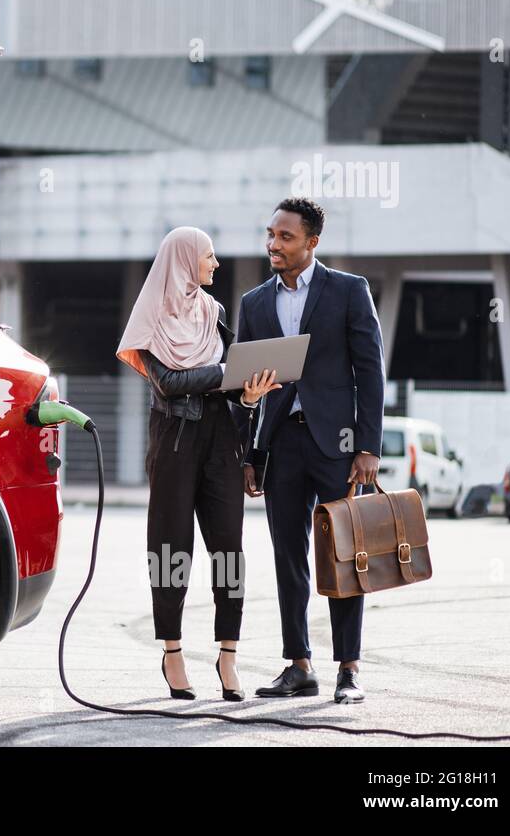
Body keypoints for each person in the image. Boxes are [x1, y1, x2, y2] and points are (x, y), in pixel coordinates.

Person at [117, 226, 281, 701]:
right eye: (209, 256)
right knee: (172, 549)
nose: (216, 264)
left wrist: (248, 397)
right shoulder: (151, 315)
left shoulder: (215, 312)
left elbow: (230, 391)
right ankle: (172, 651)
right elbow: (168, 381)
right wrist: (229, 375)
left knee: (229, 549)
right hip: (173, 438)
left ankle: (228, 655)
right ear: (185, 259)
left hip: (221, 438)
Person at [231, 198, 385, 704]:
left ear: (312, 242)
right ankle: (298, 665)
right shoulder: (253, 303)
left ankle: (348, 669)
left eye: (285, 237)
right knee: (286, 555)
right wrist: (250, 455)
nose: (274, 244)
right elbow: (244, 388)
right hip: (282, 446)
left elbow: (370, 370)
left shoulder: (348, 291)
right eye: (270, 234)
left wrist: (367, 446)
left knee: (345, 552)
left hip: (338, 446)